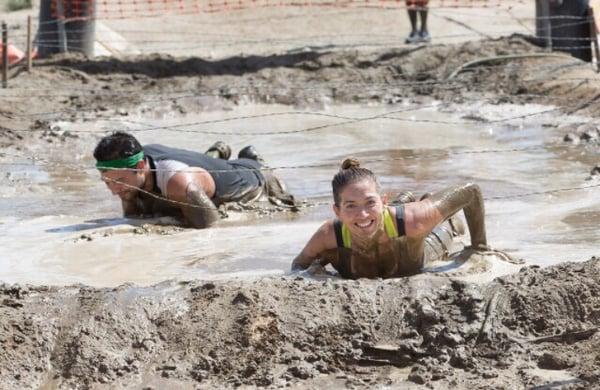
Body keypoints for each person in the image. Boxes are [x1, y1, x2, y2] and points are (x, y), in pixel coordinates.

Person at [291, 158, 488, 279]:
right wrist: (316, 275)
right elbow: (299, 266)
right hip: (386, 216)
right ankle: (402, 199)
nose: (362, 214)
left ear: (383, 201)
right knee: (371, 219)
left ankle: (429, 211)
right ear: (337, 211)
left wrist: (479, 247)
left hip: (412, 244)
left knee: (450, 228)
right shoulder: (328, 236)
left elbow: (471, 191)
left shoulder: (414, 220)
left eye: (370, 202)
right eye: (350, 206)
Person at [93, 131, 295, 229]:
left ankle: (251, 157)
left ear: (139, 167)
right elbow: (135, 218)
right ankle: (216, 154)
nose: (113, 190)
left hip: (255, 179)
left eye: (118, 181)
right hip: (198, 170)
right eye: (107, 182)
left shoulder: (179, 183)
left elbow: (209, 228)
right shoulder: (128, 173)